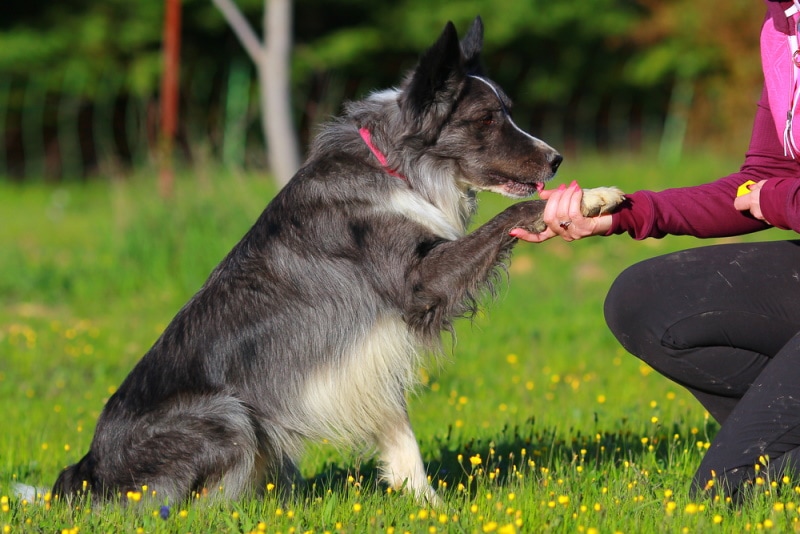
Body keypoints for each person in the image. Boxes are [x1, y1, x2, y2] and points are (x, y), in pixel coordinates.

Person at [511, 0, 800, 502]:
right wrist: (628, 211)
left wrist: (776, 199)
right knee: (644, 299)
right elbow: (762, 180)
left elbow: (771, 193)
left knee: (727, 490)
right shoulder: (781, 27)